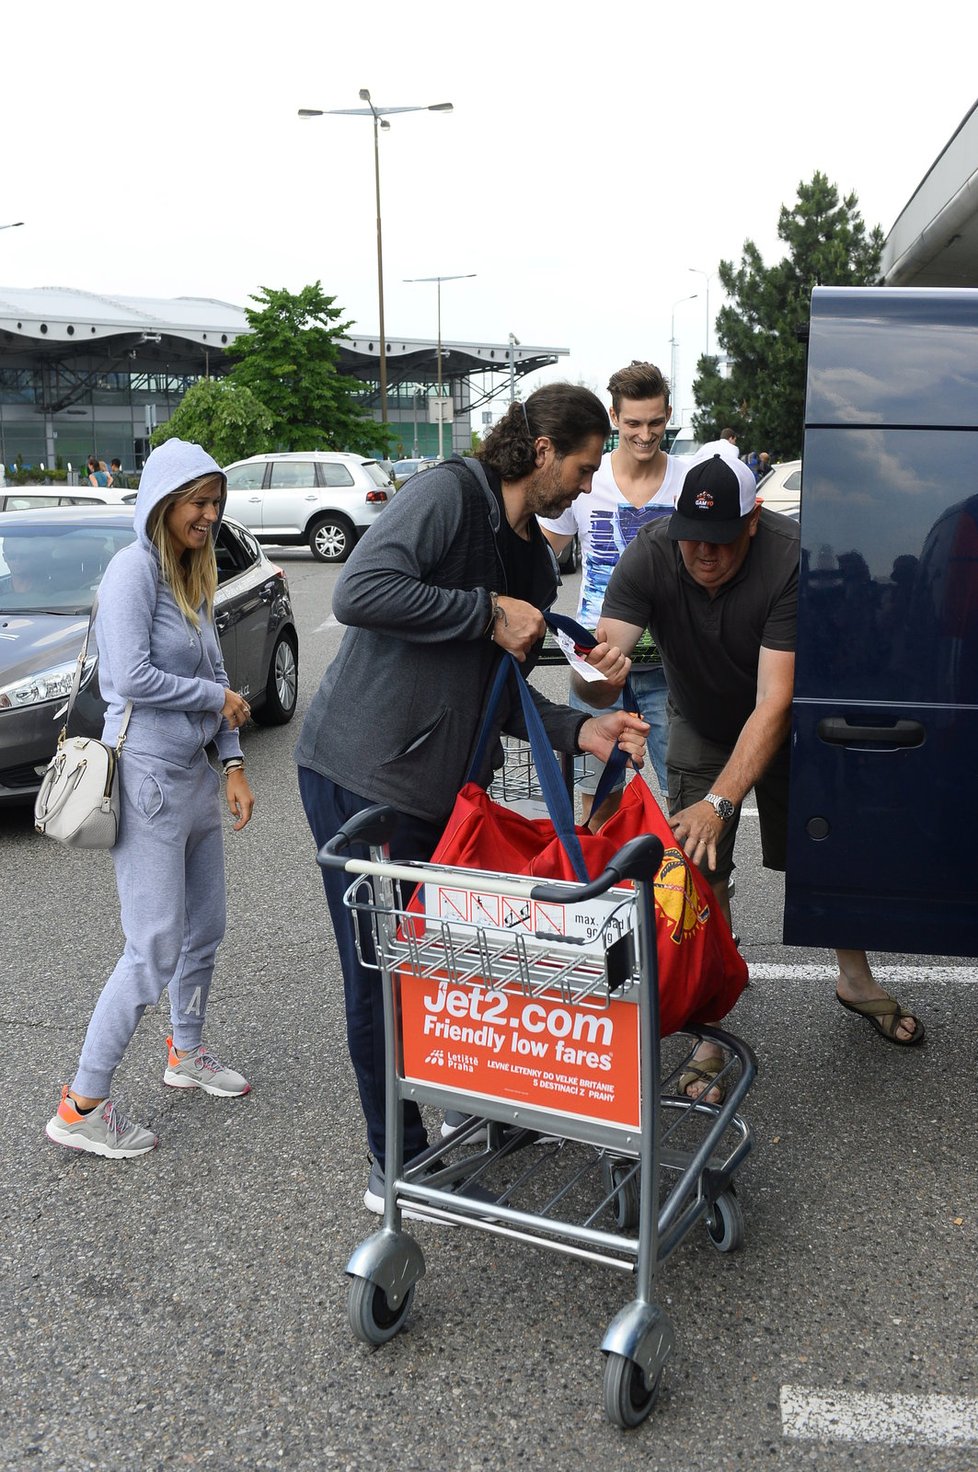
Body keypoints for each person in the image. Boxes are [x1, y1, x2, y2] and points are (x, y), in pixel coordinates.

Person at [296, 385, 649, 1213]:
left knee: (443, 955)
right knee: (380, 967)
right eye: (586, 466)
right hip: (366, 773)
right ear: (540, 451)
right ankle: (397, 1159)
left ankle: (468, 1101)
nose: (590, 485)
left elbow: (502, 685)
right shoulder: (450, 495)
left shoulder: (530, 558)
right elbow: (359, 592)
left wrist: (578, 731)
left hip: (443, 787)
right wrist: (485, 610)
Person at [583, 442, 924, 1100]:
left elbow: (774, 702)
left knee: (824, 852)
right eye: (691, 540)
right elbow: (602, 666)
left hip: (788, 723)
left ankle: (854, 979)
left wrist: (723, 800)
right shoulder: (652, 552)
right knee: (697, 872)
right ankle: (708, 1030)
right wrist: (597, 678)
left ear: (752, 519)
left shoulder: (786, 556)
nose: (702, 555)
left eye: (719, 540)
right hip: (702, 720)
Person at [45, 437, 255, 1160]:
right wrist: (214, 698)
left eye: (216, 502)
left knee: (208, 928)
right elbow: (128, 679)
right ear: (164, 501)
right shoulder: (132, 570)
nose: (209, 515)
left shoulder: (193, 569)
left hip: (195, 776)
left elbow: (218, 666)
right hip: (148, 779)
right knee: (153, 946)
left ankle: (185, 1052)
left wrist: (231, 763)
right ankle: (82, 1102)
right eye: (198, 502)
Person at [537, 361, 684, 820]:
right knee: (599, 800)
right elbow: (539, 560)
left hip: (670, 669)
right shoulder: (587, 479)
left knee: (685, 793)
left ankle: (697, 887)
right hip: (595, 668)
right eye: (634, 423)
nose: (645, 434)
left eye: (656, 422)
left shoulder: (686, 481)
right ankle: (606, 886)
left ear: (668, 415)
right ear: (614, 417)